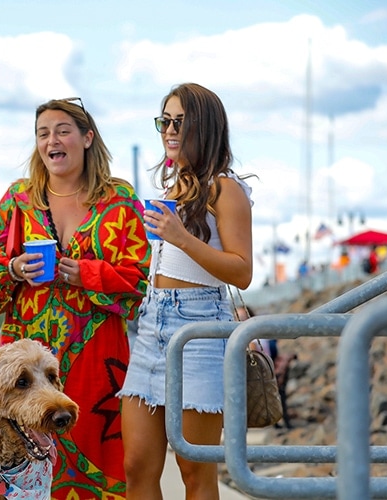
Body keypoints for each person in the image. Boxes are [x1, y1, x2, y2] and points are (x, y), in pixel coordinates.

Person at [0, 97, 150, 498]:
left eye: (62, 130)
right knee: (20, 471)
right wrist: (14, 269)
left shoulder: (119, 200)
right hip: (21, 373)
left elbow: (140, 284)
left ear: (87, 138)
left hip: (96, 366)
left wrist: (84, 273)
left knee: (99, 467)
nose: (52, 140)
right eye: (43, 133)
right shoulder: (17, 200)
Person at [118, 82, 254, 499]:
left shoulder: (225, 188)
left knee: (195, 470)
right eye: (164, 121)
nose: (169, 130)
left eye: (180, 121)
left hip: (199, 329)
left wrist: (179, 237)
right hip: (151, 325)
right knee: (137, 466)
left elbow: (242, 270)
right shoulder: (174, 187)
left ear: (205, 126)